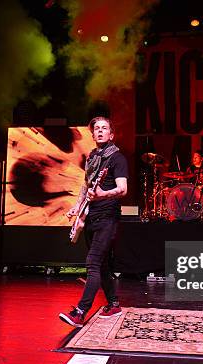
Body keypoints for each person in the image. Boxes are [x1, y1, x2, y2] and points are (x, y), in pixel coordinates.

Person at [59, 116, 128, 327]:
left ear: (111, 134)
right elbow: (85, 185)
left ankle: (80, 313)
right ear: (93, 134)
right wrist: (77, 206)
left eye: (104, 128)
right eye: (97, 128)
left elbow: (123, 189)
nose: (100, 131)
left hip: (108, 217)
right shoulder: (92, 157)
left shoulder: (117, 158)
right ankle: (114, 304)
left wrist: (102, 195)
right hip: (91, 216)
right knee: (103, 265)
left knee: (93, 263)